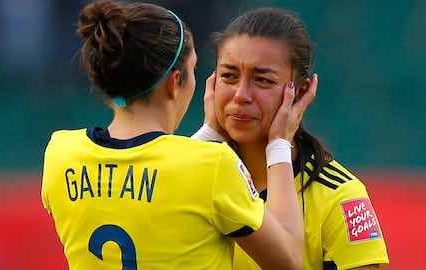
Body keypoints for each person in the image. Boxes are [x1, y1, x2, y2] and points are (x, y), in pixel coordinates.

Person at [41, 1, 316, 269]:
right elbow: (289, 259)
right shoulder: (212, 165)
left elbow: (151, 193)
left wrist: (208, 134)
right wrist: (279, 142)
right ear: (174, 82)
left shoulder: (60, 153)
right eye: (193, 69)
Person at [194, 7, 389, 270]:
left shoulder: (338, 196)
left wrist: (278, 146)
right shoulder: (193, 175)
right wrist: (209, 134)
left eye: (262, 80)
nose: (241, 95)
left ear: (301, 91)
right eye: (229, 76)